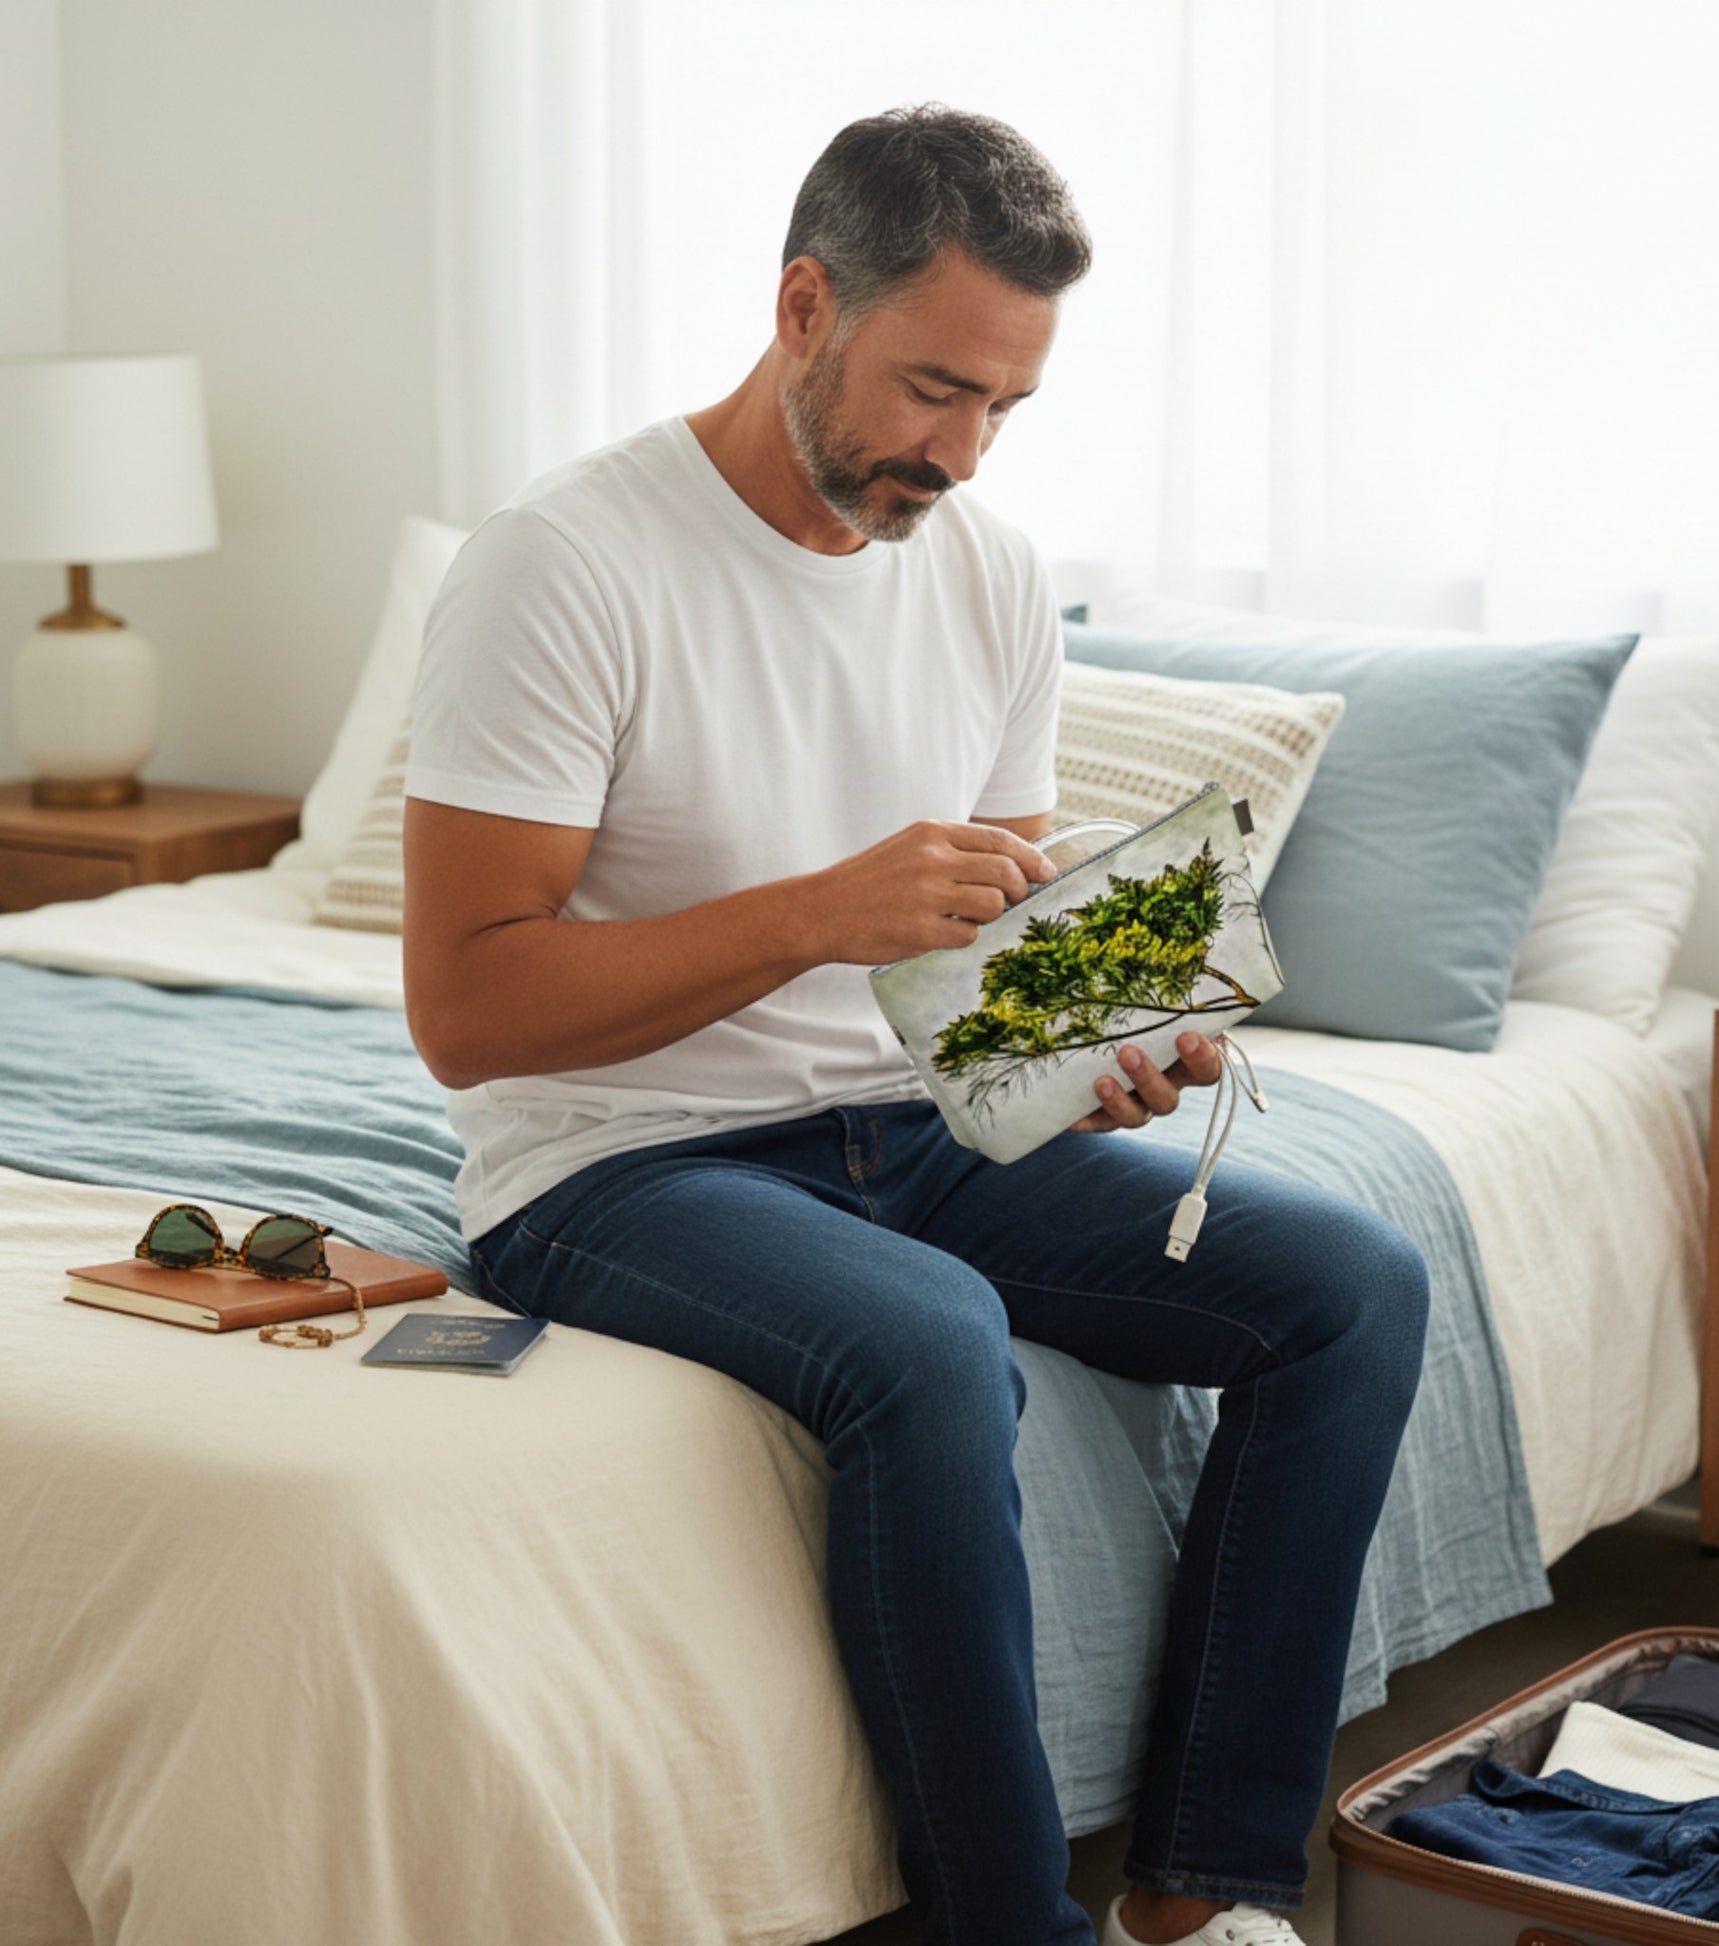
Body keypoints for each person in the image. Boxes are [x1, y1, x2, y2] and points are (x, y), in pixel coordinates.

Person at [402, 103, 1429, 1946]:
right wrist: (813, 910)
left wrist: (1089, 1052)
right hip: (622, 1160)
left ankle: (1200, 1895)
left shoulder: (986, 572)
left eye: (1003, 410)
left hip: (918, 1130)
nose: (958, 455)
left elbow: (971, 970)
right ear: (804, 306)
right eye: (929, 389)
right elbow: (469, 1008)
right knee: (933, 1341)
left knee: (1352, 1283)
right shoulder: (562, 565)